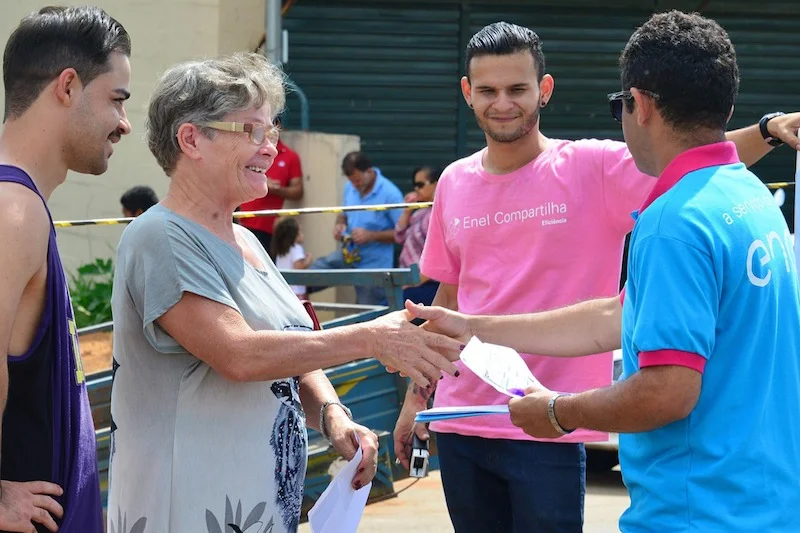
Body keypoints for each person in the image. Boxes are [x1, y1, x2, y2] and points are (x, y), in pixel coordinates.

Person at [392, 20, 800, 533]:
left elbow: (668, 389)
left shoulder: (631, 195)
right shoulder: (752, 200)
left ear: (545, 90)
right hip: (467, 419)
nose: (502, 103)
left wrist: (561, 413)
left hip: (631, 472)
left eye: (517, 88)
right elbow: (609, 314)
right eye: (489, 90)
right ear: (467, 93)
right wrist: (432, 380)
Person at [106, 52, 462, 533]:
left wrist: (334, 416)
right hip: (187, 508)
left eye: (271, 130)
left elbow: (291, 346)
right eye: (251, 131)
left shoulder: (247, 239)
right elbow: (240, 354)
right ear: (191, 138)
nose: (271, 149)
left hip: (254, 508)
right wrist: (374, 338)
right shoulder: (160, 237)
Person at [0, 6, 132, 532]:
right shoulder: (13, 210)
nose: (123, 123)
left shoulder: (23, 204)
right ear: (68, 86)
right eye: (116, 100)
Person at [311, 152, 404, 306]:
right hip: (348, 254)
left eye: (358, 180)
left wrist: (371, 235)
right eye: (352, 181)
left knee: (369, 313)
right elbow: (343, 214)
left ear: (369, 171)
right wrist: (339, 224)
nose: (355, 185)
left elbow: (402, 234)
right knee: (311, 274)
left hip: (374, 265)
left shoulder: (391, 194)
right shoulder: (350, 187)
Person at [238, 114, 304, 252]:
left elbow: (297, 191)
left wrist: (275, 189)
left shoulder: (290, 156)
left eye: (272, 127)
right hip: (239, 221)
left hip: (268, 227)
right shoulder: (246, 148)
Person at [396, 166, 441, 306]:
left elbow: (439, 257)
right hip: (409, 282)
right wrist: (406, 211)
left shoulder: (439, 213)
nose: (416, 189)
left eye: (421, 185)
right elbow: (399, 237)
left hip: (425, 284)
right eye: (415, 185)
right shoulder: (421, 212)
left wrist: (413, 282)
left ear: (436, 184)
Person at [270, 217, 312, 300]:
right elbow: (298, 266)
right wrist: (308, 260)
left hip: (284, 289)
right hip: (296, 292)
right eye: (300, 232)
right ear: (293, 235)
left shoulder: (280, 250)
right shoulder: (296, 248)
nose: (302, 235)